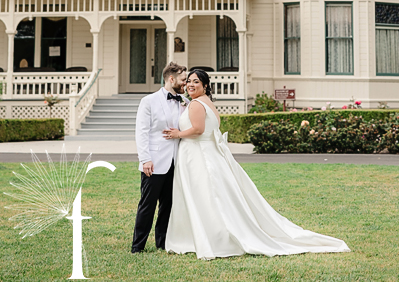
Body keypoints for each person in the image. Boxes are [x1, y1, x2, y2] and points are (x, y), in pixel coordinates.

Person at [162, 69, 351, 259]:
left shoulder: (195, 104)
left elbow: (198, 129)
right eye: (189, 81)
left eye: (196, 82)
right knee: (213, 196)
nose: (191, 85)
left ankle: (212, 237)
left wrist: (178, 134)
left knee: (203, 196)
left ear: (204, 86)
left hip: (198, 155)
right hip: (209, 155)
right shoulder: (208, 103)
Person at [132, 61, 187, 253]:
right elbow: (142, 132)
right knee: (147, 205)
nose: (185, 84)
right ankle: (137, 245)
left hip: (176, 162)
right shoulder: (148, 101)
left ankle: (162, 242)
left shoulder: (185, 102)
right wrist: (145, 159)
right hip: (154, 162)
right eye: (182, 80)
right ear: (171, 79)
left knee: (168, 206)